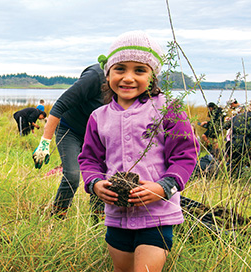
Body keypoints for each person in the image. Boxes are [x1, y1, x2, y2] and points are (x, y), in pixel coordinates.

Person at [79, 31, 199, 272]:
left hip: (158, 214)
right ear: (108, 73)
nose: (128, 78)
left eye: (139, 70)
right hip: (116, 215)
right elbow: (90, 159)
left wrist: (163, 188)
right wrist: (95, 184)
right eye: (120, 69)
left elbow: (185, 155)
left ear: (152, 76)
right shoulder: (98, 117)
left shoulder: (168, 109)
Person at [33, 63, 106, 219]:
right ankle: (57, 217)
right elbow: (59, 106)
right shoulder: (96, 76)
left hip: (97, 136)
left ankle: (98, 221)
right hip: (70, 129)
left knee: (101, 175)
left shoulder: (131, 86)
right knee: (72, 175)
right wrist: (44, 143)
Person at [224, 100, 251, 173]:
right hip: (246, 146)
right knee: (245, 165)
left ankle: (229, 180)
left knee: (233, 164)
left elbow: (225, 126)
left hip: (233, 143)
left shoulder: (238, 116)